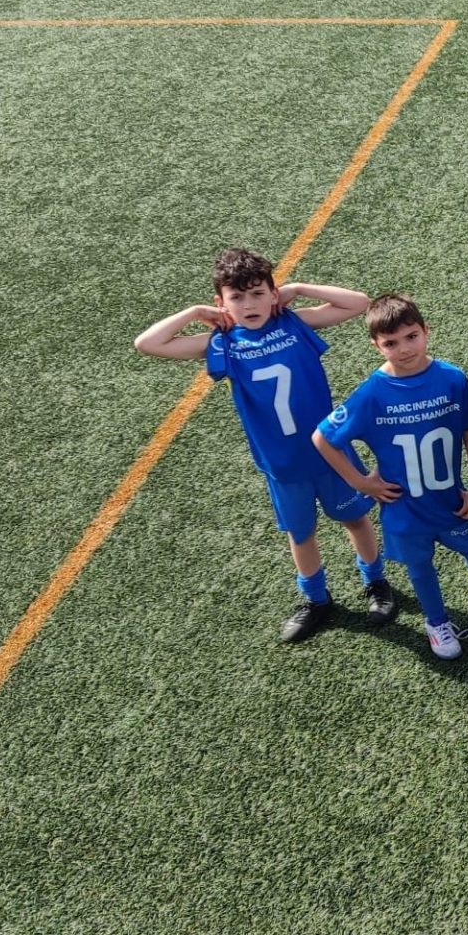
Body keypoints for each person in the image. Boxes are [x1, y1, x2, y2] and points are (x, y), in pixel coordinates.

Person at [132, 247, 394, 642]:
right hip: (281, 463)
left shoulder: (294, 322)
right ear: (221, 303)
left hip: (330, 454)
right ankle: (316, 600)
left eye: (258, 293)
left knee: (355, 519)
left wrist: (298, 288)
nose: (249, 304)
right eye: (237, 297)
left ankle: (375, 582)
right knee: (300, 533)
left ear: (273, 294)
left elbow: (358, 303)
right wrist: (195, 312)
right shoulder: (222, 342)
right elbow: (147, 344)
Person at [315, 294, 468, 662]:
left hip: (449, 500)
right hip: (404, 507)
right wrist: (361, 482)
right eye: (391, 343)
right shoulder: (372, 393)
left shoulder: (450, 378)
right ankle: (436, 622)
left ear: (426, 331)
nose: (404, 349)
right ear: (376, 345)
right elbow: (322, 438)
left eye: (411, 336)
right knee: (419, 567)